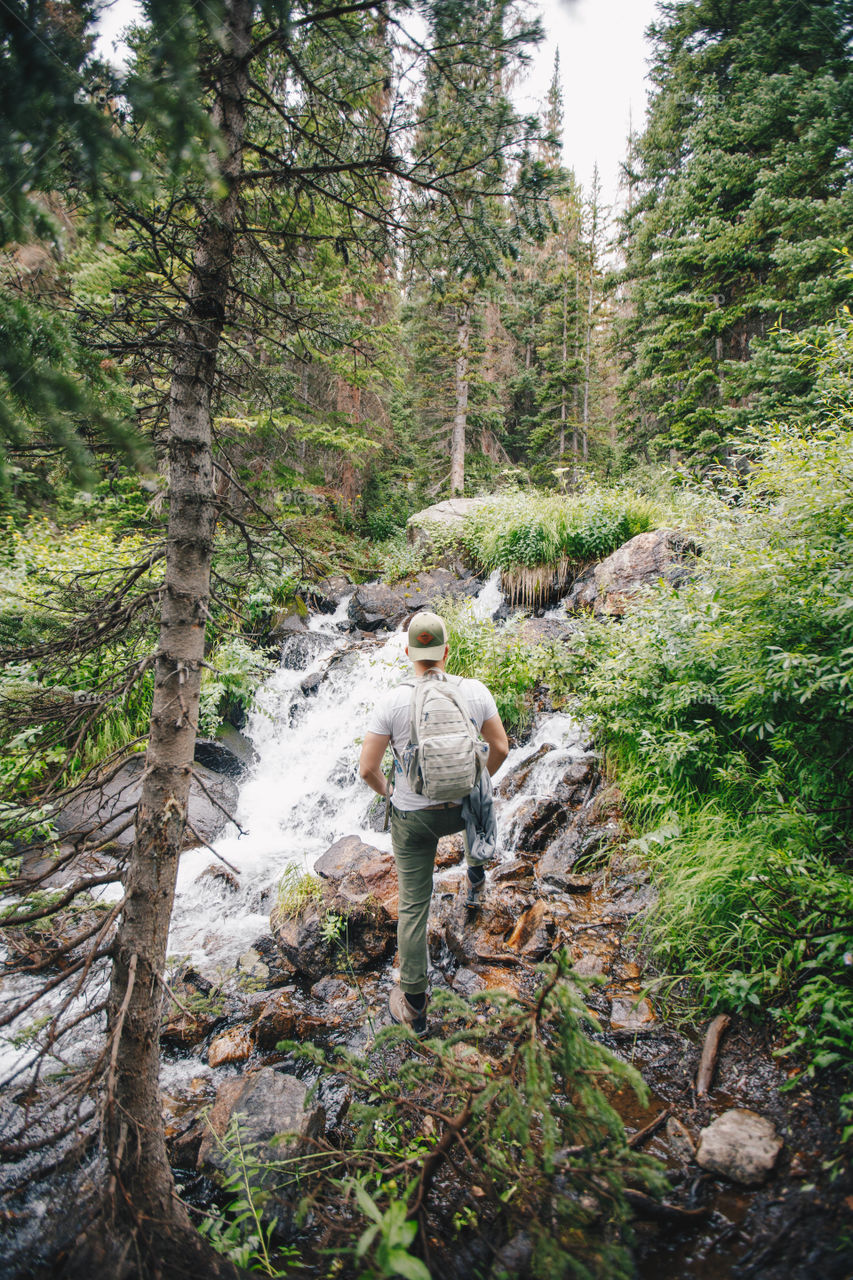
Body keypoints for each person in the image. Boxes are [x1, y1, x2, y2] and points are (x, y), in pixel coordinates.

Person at [359, 609, 509, 1035]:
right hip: (462, 807)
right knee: (475, 813)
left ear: (408, 652)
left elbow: (368, 768)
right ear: (446, 651)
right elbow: (500, 746)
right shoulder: (475, 692)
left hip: (414, 817)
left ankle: (415, 1007)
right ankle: (476, 880)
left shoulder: (392, 701)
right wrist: (478, 781)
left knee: (413, 906)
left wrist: (392, 796)